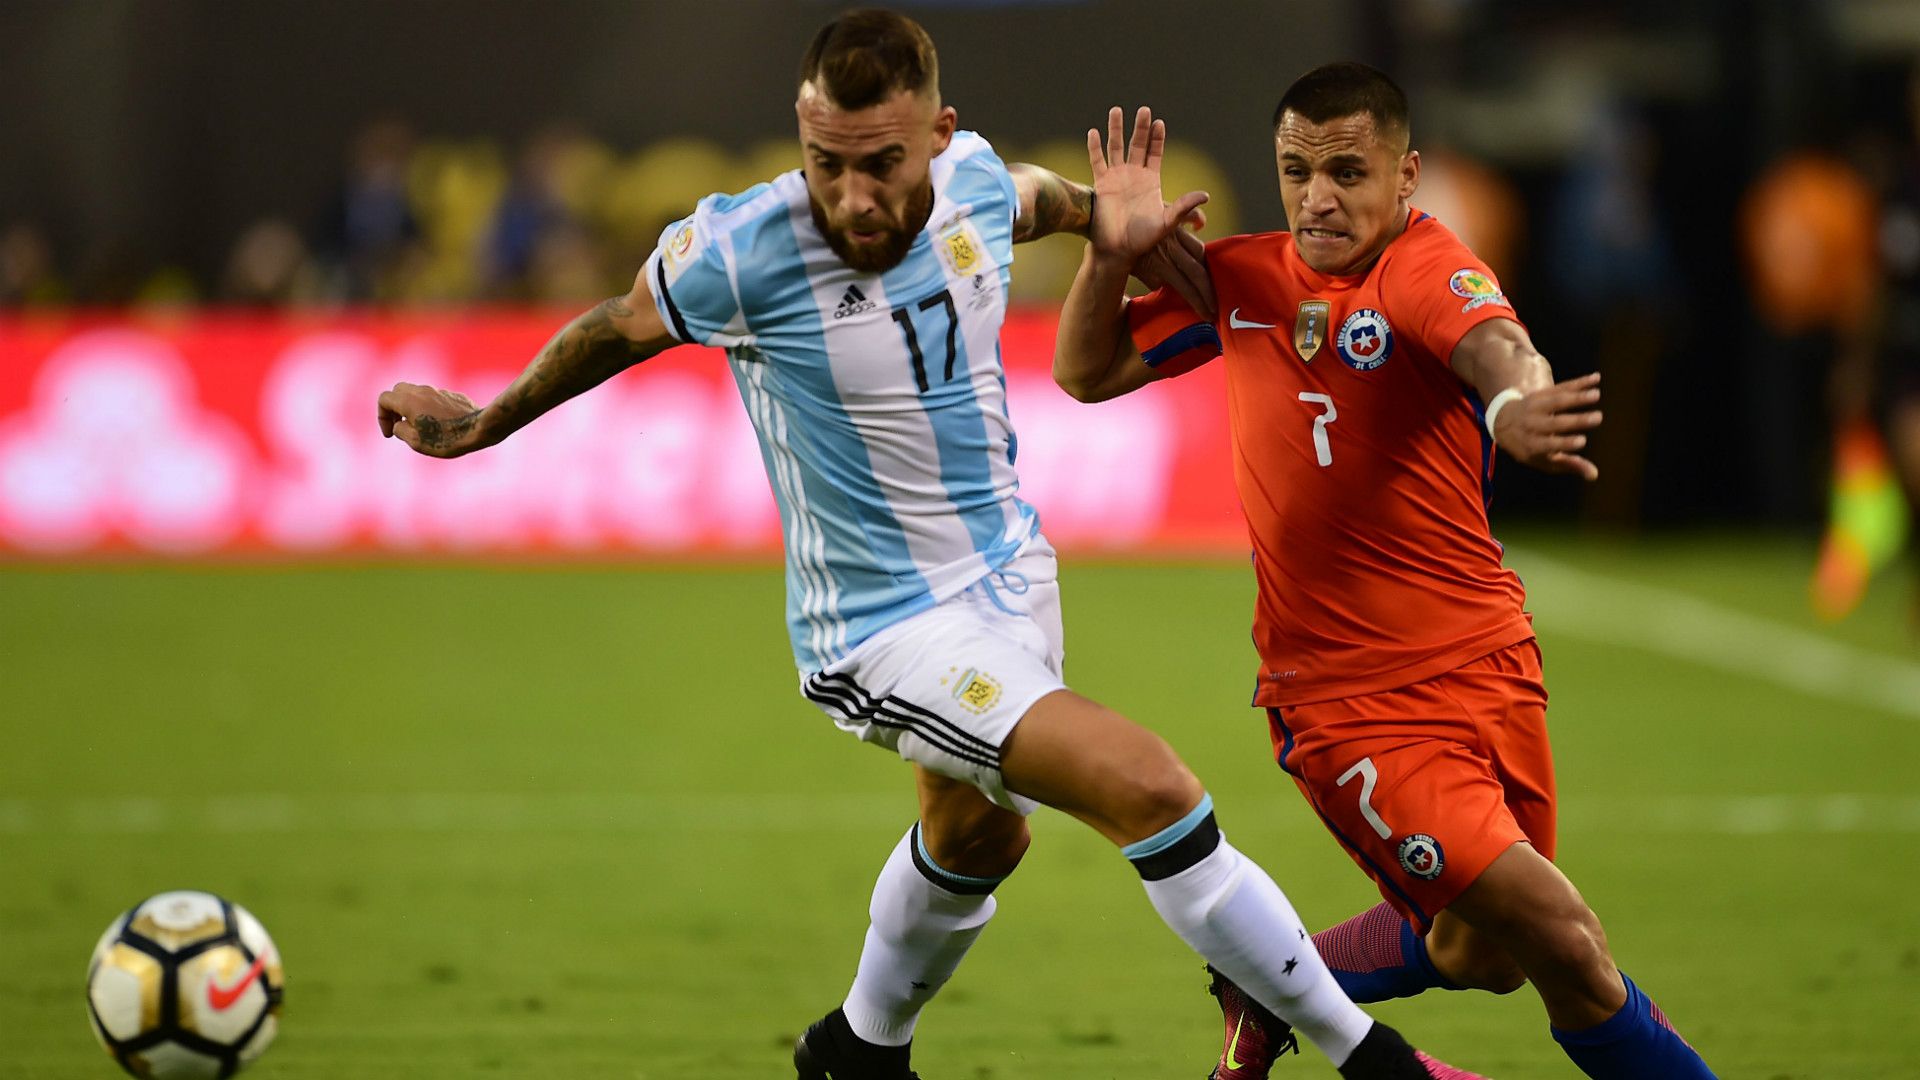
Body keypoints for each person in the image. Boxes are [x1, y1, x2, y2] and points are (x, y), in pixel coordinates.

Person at [374, 13, 1480, 1080]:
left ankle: (859, 1051)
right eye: (826, 163)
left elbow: (1048, 203)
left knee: (977, 844)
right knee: (1152, 789)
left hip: (1011, 582)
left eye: (884, 164)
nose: (854, 196)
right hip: (881, 631)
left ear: (940, 136)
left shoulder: (978, 185)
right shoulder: (741, 250)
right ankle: (1374, 1061)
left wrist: (1115, 220)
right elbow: (610, 328)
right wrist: (479, 428)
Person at [1053, 64, 1718, 1080]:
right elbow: (1085, 372)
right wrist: (1109, 255)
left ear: (1405, 176)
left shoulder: (1421, 269)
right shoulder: (1247, 282)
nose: (1319, 197)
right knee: (1569, 948)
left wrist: (1513, 405)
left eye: (1348, 172)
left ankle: (1268, 981)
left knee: (1482, 953)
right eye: (1296, 171)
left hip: (1489, 662)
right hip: (1349, 703)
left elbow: (1496, 344)